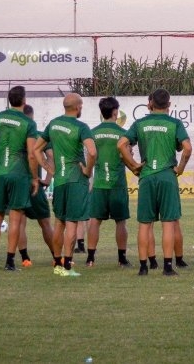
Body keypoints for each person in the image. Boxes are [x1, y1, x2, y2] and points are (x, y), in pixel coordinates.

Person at [118, 88, 191, 276]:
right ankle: (167, 266)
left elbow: (121, 144)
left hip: (147, 176)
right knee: (168, 223)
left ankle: (143, 267)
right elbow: (187, 148)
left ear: (150, 103)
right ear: (168, 104)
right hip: (167, 176)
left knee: (145, 224)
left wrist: (133, 165)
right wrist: (181, 168)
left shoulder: (140, 123)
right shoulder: (175, 123)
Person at [35, 92, 95, 277]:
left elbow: (36, 149)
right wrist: (87, 171)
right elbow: (92, 153)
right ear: (77, 107)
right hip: (76, 180)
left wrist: (48, 168)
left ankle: (57, 263)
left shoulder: (53, 124)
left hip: (59, 180)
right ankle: (68, 267)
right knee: (71, 223)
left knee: (59, 222)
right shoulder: (81, 127)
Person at [0, 86, 38, 271]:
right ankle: (9, 261)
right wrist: (34, 178)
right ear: (24, 100)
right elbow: (32, 154)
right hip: (19, 174)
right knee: (15, 219)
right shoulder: (28, 123)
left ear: (9, 100)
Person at [87, 97, 132, 267]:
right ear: (115, 112)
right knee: (120, 222)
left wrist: (88, 174)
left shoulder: (92, 133)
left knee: (94, 221)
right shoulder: (123, 134)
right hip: (117, 184)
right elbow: (127, 156)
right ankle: (122, 259)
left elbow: (90, 156)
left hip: (99, 184)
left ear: (101, 112)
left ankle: (90, 258)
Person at [18, 104, 55, 267]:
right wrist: (48, 177)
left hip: (15, 182)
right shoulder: (38, 135)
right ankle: (56, 257)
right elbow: (51, 156)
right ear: (32, 116)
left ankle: (25, 259)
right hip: (33, 183)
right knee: (45, 222)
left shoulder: (11, 135)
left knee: (18, 222)